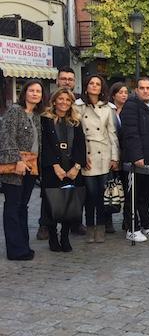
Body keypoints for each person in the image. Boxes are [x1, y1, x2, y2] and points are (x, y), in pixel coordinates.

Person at [36, 67, 85, 240]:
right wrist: (55, 166)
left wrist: (78, 166)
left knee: (71, 197)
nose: (67, 81)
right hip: (53, 166)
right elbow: (45, 145)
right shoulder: (45, 117)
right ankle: (47, 228)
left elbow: (81, 145)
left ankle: (71, 227)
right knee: (49, 198)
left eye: (70, 79)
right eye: (63, 78)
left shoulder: (76, 120)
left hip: (72, 166)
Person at [0, 80, 44, 260]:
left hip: (31, 167)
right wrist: (16, 160)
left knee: (23, 207)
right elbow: (6, 137)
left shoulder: (36, 116)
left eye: (38, 91)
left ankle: (23, 245)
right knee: (13, 206)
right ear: (24, 92)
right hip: (15, 166)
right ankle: (15, 250)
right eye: (31, 90)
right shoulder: (14, 112)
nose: (35, 94)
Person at [75, 75, 119, 244]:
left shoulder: (108, 108)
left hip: (104, 154)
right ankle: (90, 226)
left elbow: (112, 134)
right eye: (91, 83)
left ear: (102, 88)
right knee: (89, 195)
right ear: (86, 87)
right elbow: (76, 135)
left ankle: (100, 227)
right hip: (87, 154)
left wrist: (115, 157)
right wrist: (80, 157)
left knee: (101, 195)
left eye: (97, 84)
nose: (94, 86)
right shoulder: (78, 107)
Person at [121, 77, 149, 242]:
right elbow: (130, 133)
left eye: (148, 88)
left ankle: (147, 226)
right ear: (137, 90)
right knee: (133, 196)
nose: (145, 91)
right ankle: (132, 228)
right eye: (142, 88)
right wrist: (136, 155)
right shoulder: (131, 106)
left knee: (146, 196)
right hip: (135, 160)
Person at [106, 82, 129, 234]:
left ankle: (128, 219)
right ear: (113, 94)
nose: (124, 95)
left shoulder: (131, 110)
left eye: (126, 92)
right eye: (120, 92)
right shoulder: (108, 110)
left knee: (128, 189)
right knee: (109, 188)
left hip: (126, 154)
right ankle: (107, 221)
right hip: (110, 155)